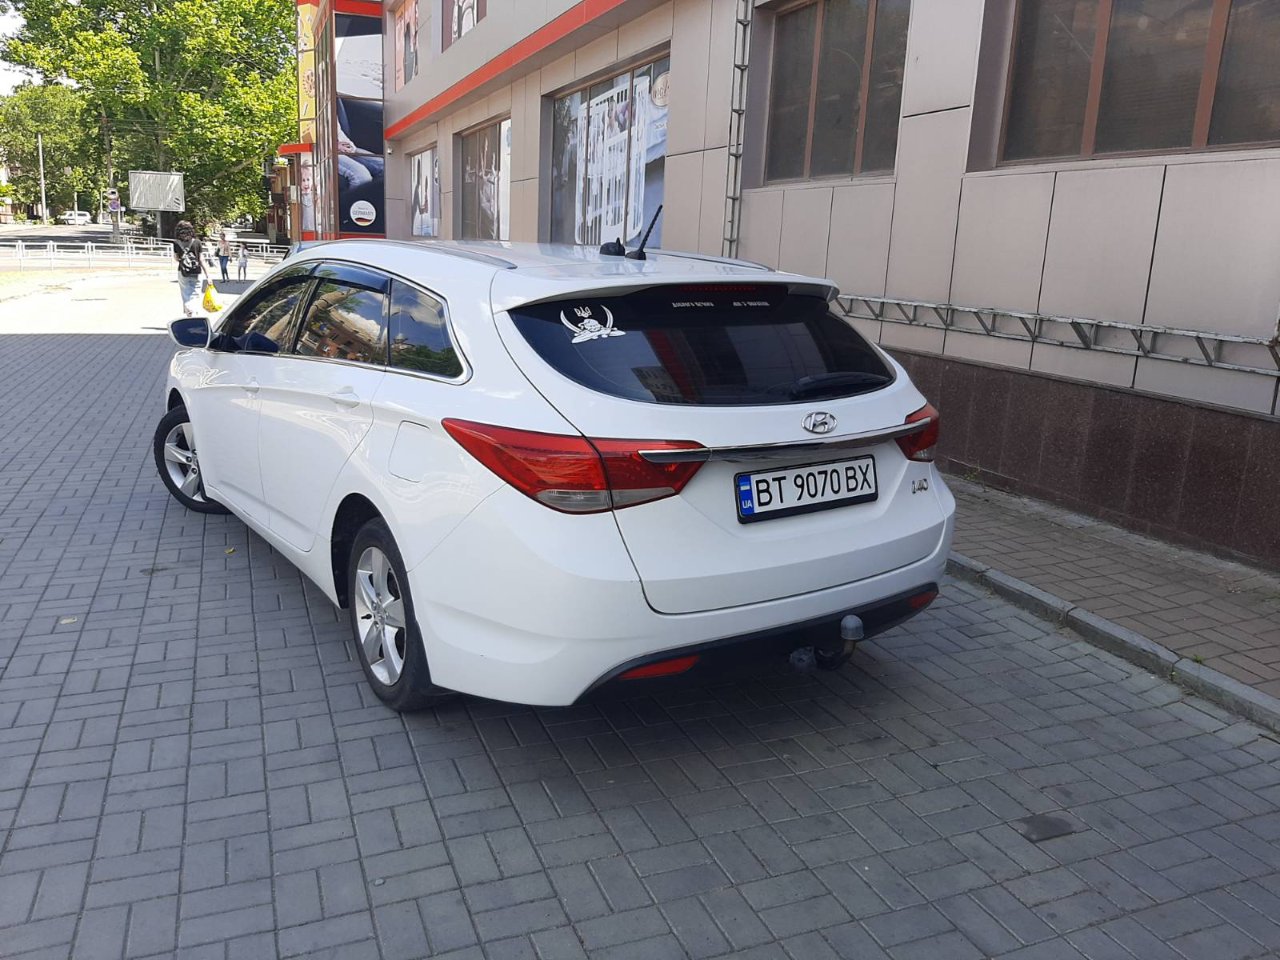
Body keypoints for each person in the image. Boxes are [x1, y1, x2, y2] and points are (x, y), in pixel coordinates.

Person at [172, 220, 208, 317]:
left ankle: (189, 311)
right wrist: (208, 275)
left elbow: (176, 258)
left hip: (183, 271)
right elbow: (201, 259)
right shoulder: (197, 242)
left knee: (186, 293)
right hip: (196, 271)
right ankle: (194, 312)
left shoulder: (176, 243)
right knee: (196, 292)